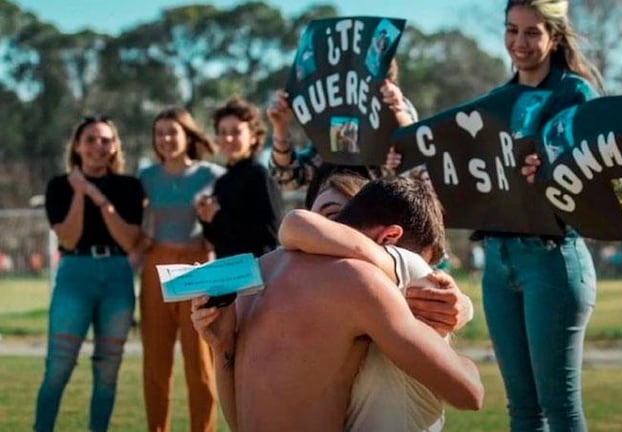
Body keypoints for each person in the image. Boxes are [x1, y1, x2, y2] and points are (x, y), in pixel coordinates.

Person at [191, 177, 483, 431]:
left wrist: (222, 347)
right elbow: (469, 394)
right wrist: (466, 362)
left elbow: (243, 423)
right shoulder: (361, 280)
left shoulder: (255, 275)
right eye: (421, 266)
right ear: (389, 239)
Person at [475, 1, 602, 431]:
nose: (519, 42)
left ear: (555, 36)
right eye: (512, 30)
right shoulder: (495, 101)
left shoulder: (575, 94)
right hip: (497, 258)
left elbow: (594, 180)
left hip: (553, 257)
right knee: (522, 409)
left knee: (560, 407)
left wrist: (550, 171)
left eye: (532, 32)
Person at [281, 174, 473, 430]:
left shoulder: (392, 269)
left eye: (335, 219)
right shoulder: (322, 292)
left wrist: (462, 304)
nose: (323, 233)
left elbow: (296, 224)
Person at [35, 116, 145, 432]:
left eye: (106, 140)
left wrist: (98, 196)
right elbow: (68, 238)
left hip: (116, 276)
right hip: (74, 274)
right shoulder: (59, 186)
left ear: (115, 147)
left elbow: (129, 240)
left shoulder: (129, 187)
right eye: (91, 139)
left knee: (108, 368)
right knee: (59, 365)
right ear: (78, 146)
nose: (99, 146)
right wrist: (80, 191)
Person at [137, 107, 225, 432]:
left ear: (188, 135)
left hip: (196, 267)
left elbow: (221, 226)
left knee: (199, 363)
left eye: (172, 132)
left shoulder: (212, 175)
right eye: (159, 133)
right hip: (155, 268)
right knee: (156, 364)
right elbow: (138, 223)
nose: (165, 139)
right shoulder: (146, 178)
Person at [267, 59, 418, 206]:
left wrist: (397, 110)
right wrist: (280, 127)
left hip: (379, 219)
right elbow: (290, 179)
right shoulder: (340, 122)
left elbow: (418, 160)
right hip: (332, 221)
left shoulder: (398, 106)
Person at [195, 96, 282, 258]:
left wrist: (218, 215)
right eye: (223, 132)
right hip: (229, 275)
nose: (228, 139)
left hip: (259, 274)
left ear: (254, 136)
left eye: (236, 132)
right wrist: (205, 216)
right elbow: (219, 239)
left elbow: (271, 234)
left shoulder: (260, 176)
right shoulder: (222, 182)